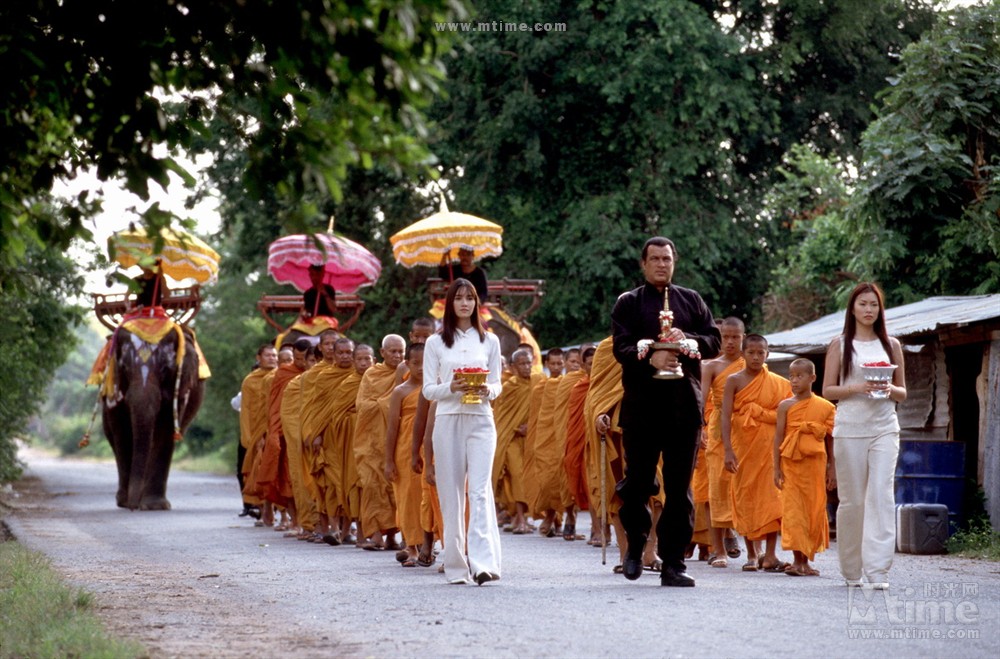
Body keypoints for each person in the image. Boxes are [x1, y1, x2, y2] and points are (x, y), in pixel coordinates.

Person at [610, 236, 720, 587]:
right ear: (643, 264)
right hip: (642, 407)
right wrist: (650, 355)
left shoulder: (692, 301)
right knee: (639, 483)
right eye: (654, 259)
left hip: (683, 408)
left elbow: (713, 340)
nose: (661, 264)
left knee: (679, 487)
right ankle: (636, 545)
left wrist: (687, 341)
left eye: (667, 259)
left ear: (675, 262)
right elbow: (621, 347)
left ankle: (673, 562)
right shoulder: (628, 303)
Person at [822, 282, 906, 590]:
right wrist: (858, 387)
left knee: (881, 497)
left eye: (874, 305)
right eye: (863, 304)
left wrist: (885, 389)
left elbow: (903, 392)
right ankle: (851, 568)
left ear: (880, 310)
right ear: (853, 309)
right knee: (853, 501)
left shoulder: (891, 345)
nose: (869, 310)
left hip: (885, 427)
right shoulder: (840, 345)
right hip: (850, 429)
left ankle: (878, 570)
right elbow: (827, 390)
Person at [422, 278, 503, 585]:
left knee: (479, 491)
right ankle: (456, 565)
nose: (465, 303)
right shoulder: (435, 342)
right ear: (450, 303)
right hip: (448, 419)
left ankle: (483, 563)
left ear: (476, 303)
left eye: (470, 298)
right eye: (459, 298)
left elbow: (497, 383)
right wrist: (451, 386)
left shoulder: (490, 341)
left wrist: (488, 391)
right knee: (451, 492)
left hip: (481, 419)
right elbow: (429, 390)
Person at [721, 334, 792, 572]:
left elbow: (787, 416)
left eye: (761, 352)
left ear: (767, 354)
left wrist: (762, 414)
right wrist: (728, 450)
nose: (756, 357)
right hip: (743, 448)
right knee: (746, 498)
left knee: (771, 500)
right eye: (751, 352)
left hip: (769, 449)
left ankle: (770, 554)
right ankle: (752, 554)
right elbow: (724, 415)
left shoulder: (779, 383)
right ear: (742, 355)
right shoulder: (734, 380)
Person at [773, 358, 836, 577]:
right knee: (794, 513)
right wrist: (776, 468)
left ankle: (806, 562)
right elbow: (778, 438)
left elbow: (831, 440)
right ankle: (797, 560)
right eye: (791, 376)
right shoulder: (785, 406)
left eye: (800, 376)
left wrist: (832, 469)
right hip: (791, 465)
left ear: (813, 378)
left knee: (813, 511)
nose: (794, 380)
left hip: (815, 466)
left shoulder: (826, 407)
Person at [700, 317, 747, 567]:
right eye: (725, 337)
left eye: (734, 337)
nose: (729, 342)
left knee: (748, 487)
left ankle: (756, 550)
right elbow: (701, 397)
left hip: (747, 430)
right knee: (716, 490)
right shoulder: (711, 366)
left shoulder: (752, 364)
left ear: (743, 336)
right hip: (719, 429)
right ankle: (717, 550)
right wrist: (700, 427)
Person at [353, 334, 406, 550]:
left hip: (398, 440)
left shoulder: (408, 373)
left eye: (400, 351)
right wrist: (389, 403)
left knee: (395, 487)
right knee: (372, 485)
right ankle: (375, 535)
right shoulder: (372, 374)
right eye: (392, 351)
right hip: (372, 441)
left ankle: (393, 536)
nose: (397, 355)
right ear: (382, 353)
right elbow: (362, 405)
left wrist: (389, 402)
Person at [384, 342, 426, 566]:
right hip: (403, 449)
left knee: (426, 497)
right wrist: (388, 461)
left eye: (425, 363)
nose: (421, 368)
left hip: (428, 448)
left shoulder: (434, 388)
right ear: (407, 364)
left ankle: (427, 545)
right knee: (407, 498)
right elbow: (392, 428)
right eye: (416, 363)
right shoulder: (400, 391)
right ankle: (411, 546)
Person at [491, 348, 536, 535]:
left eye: (528, 363)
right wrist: (514, 429)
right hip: (511, 438)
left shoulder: (538, 383)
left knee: (527, 476)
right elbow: (501, 415)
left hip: (531, 437)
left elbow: (543, 410)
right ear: (513, 367)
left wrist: (532, 426)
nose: (526, 367)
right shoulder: (509, 387)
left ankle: (521, 517)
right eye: (522, 364)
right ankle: (519, 517)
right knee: (516, 475)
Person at [240, 344, 278, 525]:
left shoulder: (279, 377)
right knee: (257, 470)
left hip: (275, 428)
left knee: (273, 469)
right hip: (256, 432)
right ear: (259, 357)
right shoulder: (250, 381)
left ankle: (273, 508)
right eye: (268, 355)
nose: (272, 358)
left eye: (274, 355)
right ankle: (264, 510)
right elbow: (246, 409)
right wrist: (248, 437)